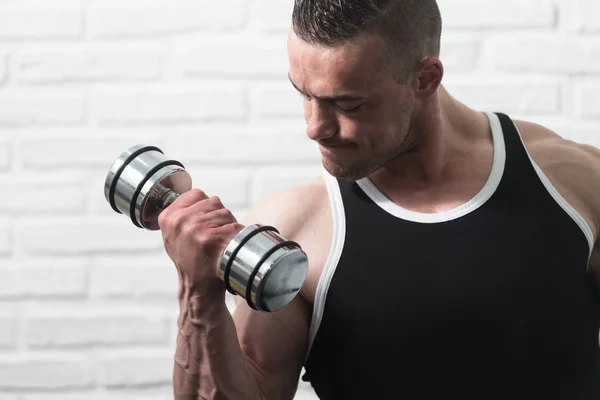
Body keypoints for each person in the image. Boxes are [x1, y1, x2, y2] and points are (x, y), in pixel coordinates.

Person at [157, 0, 600, 399]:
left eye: (346, 104)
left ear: (425, 78)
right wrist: (197, 292)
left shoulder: (571, 182)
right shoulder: (296, 229)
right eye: (303, 94)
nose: (315, 127)